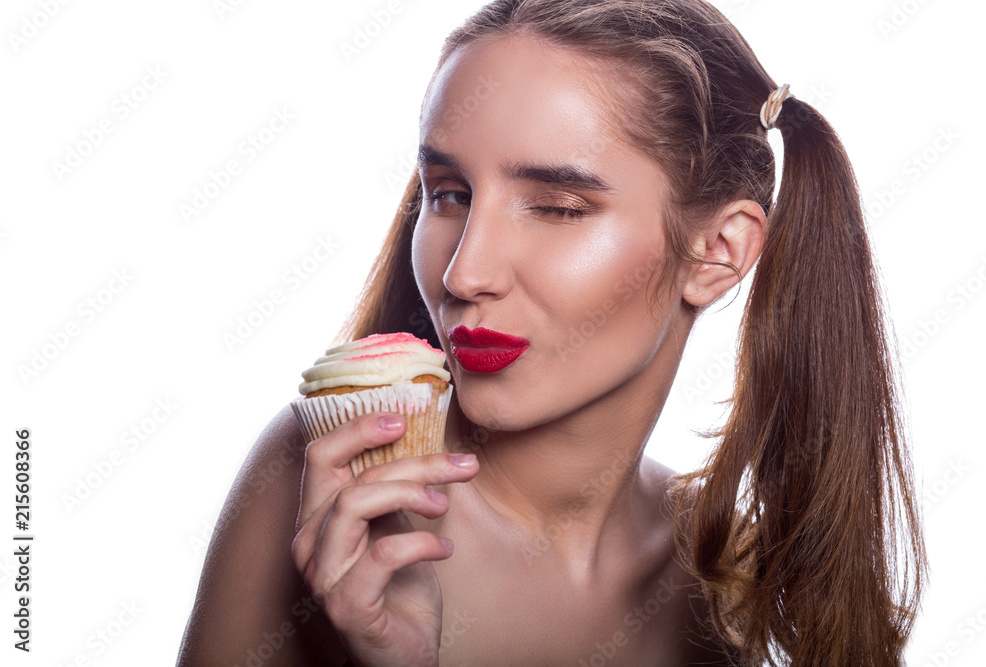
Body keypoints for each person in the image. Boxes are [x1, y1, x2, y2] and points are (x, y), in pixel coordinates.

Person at [177, 1, 927, 665]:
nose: (465, 271)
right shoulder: (327, 482)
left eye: (558, 206)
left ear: (717, 251)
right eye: (448, 193)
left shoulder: (731, 578)